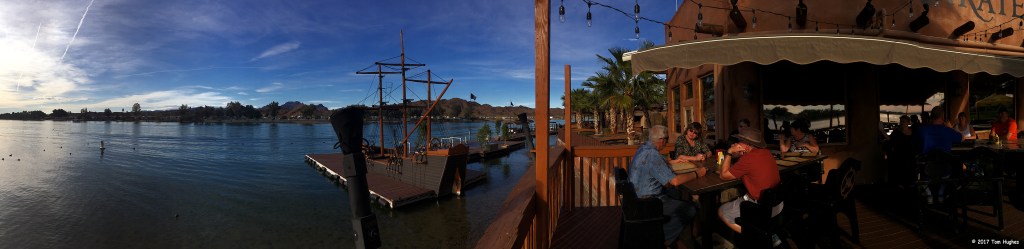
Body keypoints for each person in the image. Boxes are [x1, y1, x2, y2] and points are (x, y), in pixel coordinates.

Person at [629, 125, 708, 248]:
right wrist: (697, 173)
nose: (666, 143)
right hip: (649, 203)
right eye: (666, 140)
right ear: (661, 140)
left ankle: (679, 236)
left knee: (677, 194)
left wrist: (673, 162)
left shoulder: (643, 148)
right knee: (690, 209)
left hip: (635, 199)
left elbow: (657, 164)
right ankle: (663, 239)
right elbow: (675, 181)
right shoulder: (653, 155)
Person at [718, 128, 782, 234]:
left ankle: (755, 235)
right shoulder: (766, 153)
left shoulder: (748, 158)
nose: (737, 143)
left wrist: (729, 152)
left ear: (747, 144)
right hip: (777, 204)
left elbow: (723, 175)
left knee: (721, 211)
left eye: (740, 141)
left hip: (762, 208)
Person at [915, 106, 963, 204]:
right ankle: (941, 194)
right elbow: (962, 138)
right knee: (958, 167)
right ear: (943, 116)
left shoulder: (921, 130)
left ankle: (929, 195)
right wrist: (950, 127)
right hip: (945, 170)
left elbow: (915, 145)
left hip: (926, 170)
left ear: (931, 116)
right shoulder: (947, 130)